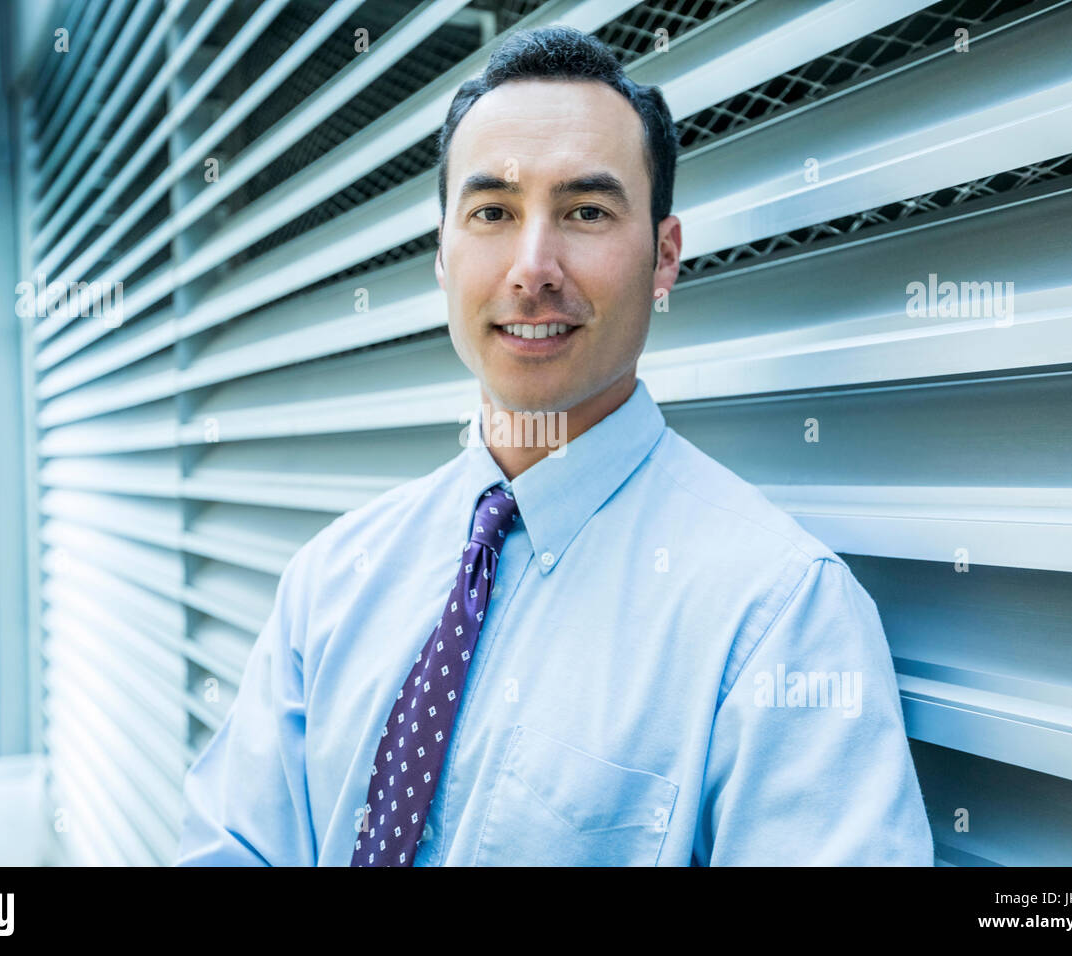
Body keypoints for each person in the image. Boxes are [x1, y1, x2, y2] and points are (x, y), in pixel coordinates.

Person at [176, 25, 934, 866]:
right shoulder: (328, 583)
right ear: (442, 255)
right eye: (492, 212)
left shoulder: (781, 618)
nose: (533, 266)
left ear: (664, 258)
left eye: (586, 211)